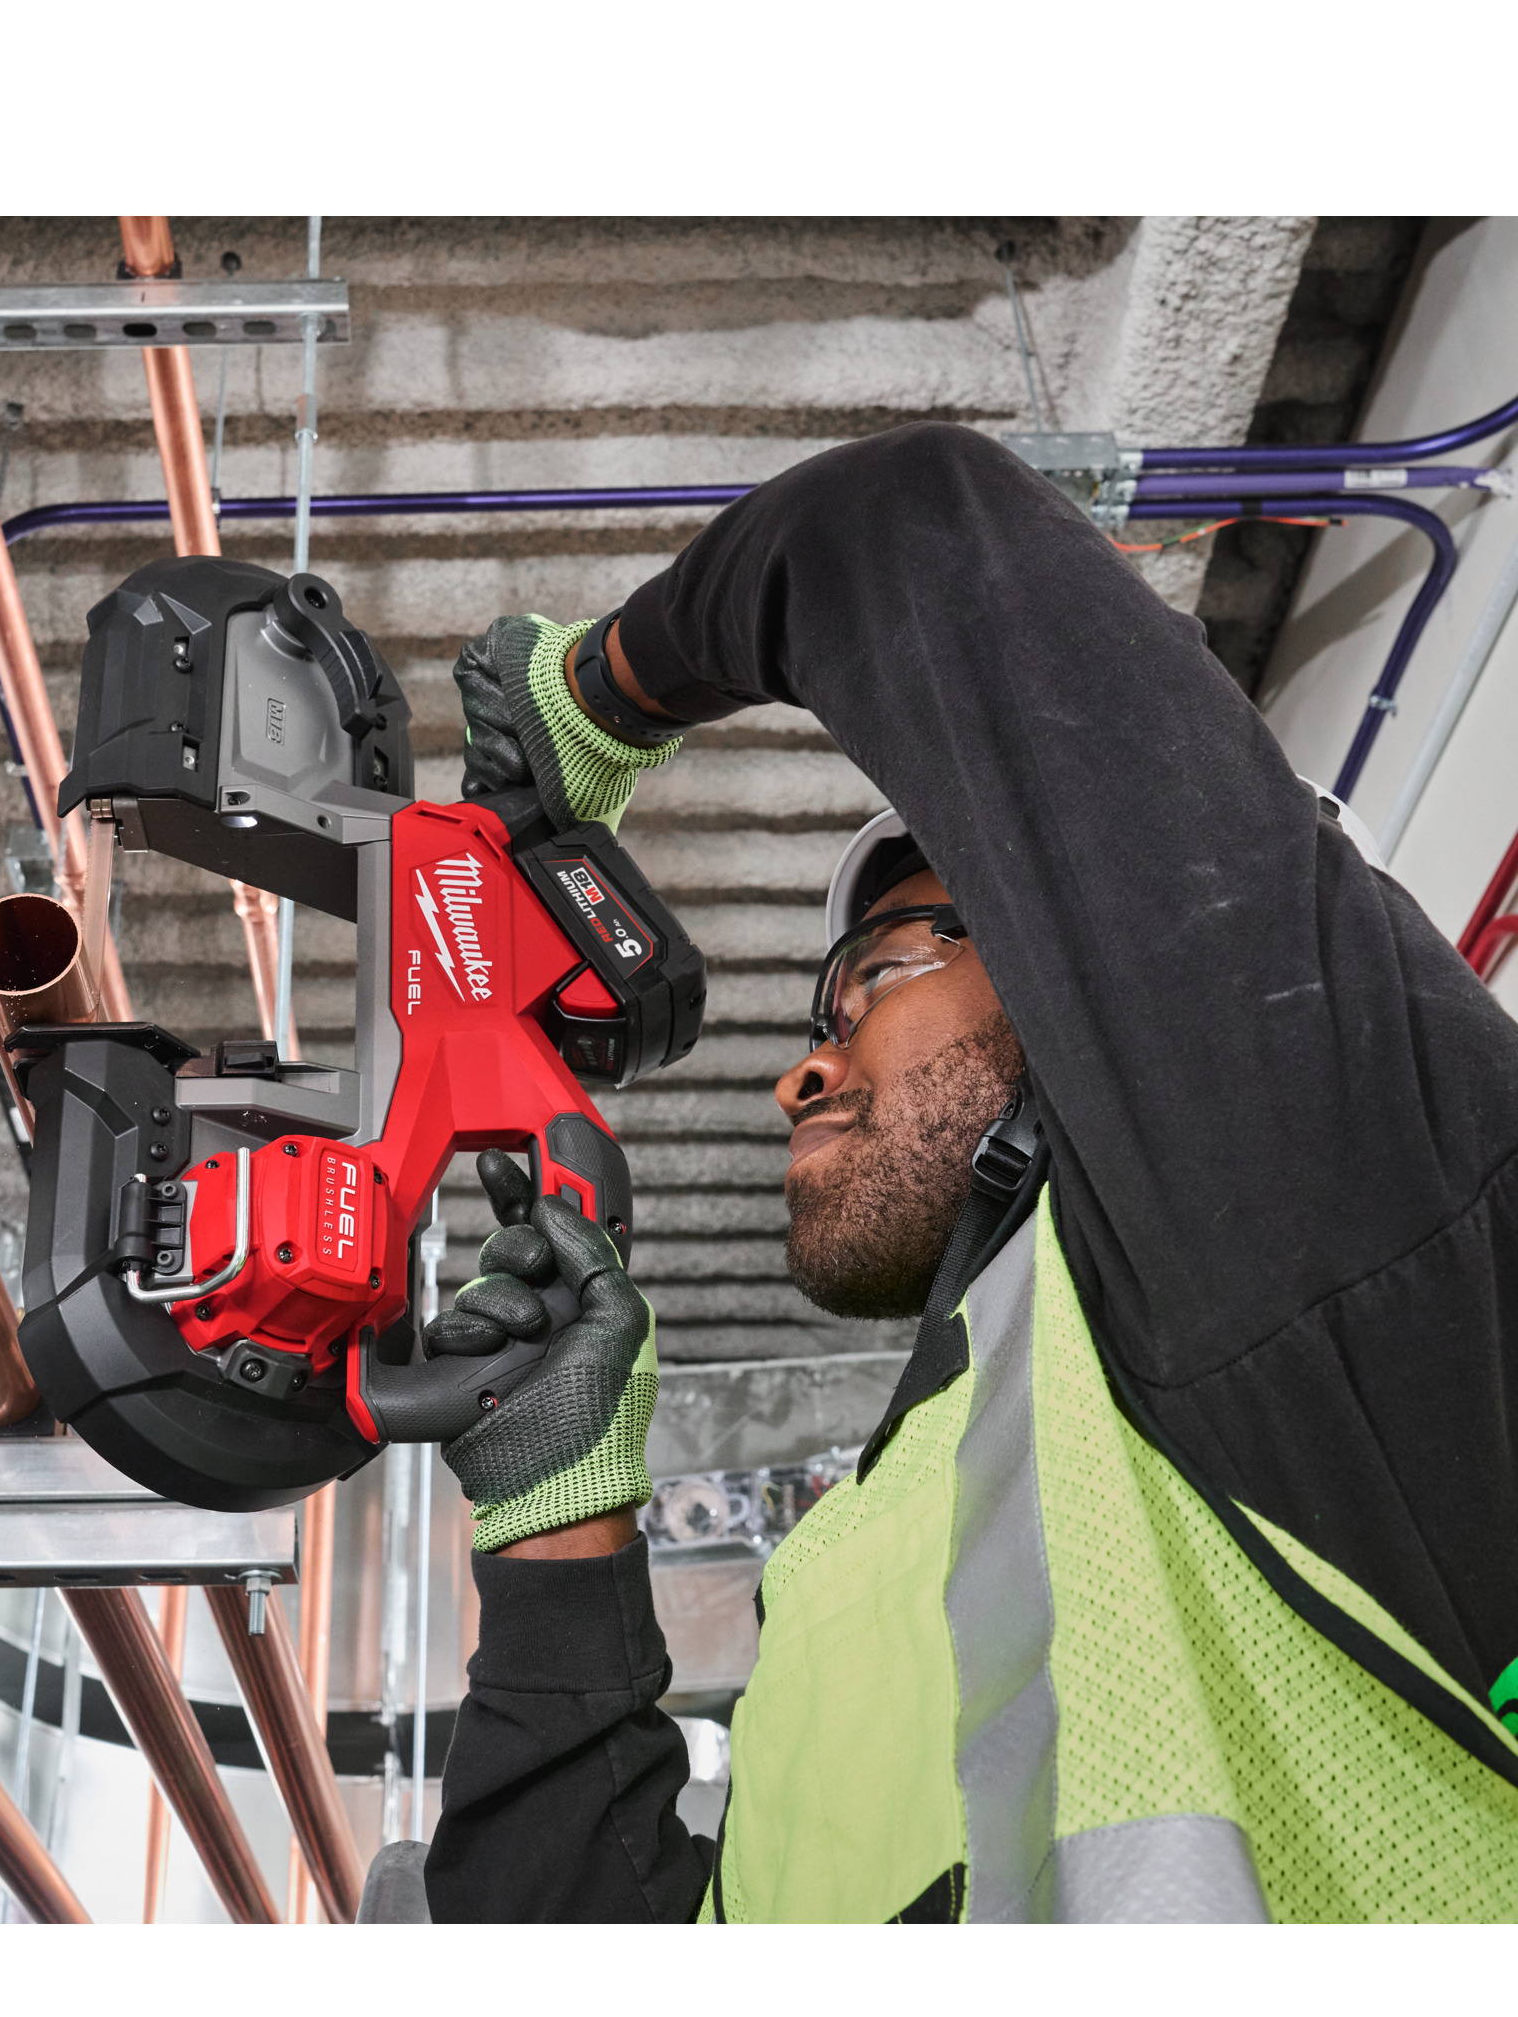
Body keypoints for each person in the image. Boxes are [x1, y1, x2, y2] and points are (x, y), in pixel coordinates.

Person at [397, 421, 1518, 1924]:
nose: (803, 1071)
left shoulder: (1314, 1172)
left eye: (877, 972)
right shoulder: (892, 1536)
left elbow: (904, 533)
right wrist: (559, 1517)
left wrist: (591, 701)